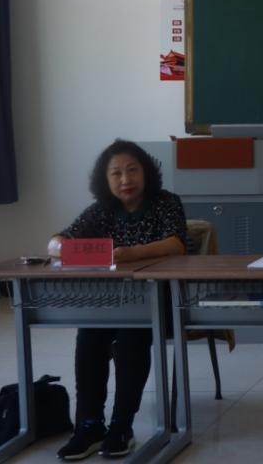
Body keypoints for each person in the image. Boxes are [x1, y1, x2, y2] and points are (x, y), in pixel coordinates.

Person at [48, 140, 188, 460]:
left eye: (132, 170)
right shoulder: (101, 211)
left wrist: (129, 253)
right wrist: (61, 248)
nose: (125, 180)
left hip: (159, 302)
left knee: (131, 336)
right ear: (106, 179)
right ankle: (89, 425)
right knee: (89, 335)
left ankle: (121, 426)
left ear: (146, 172)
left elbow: (176, 244)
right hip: (111, 303)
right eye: (116, 173)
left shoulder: (165, 202)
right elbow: (57, 242)